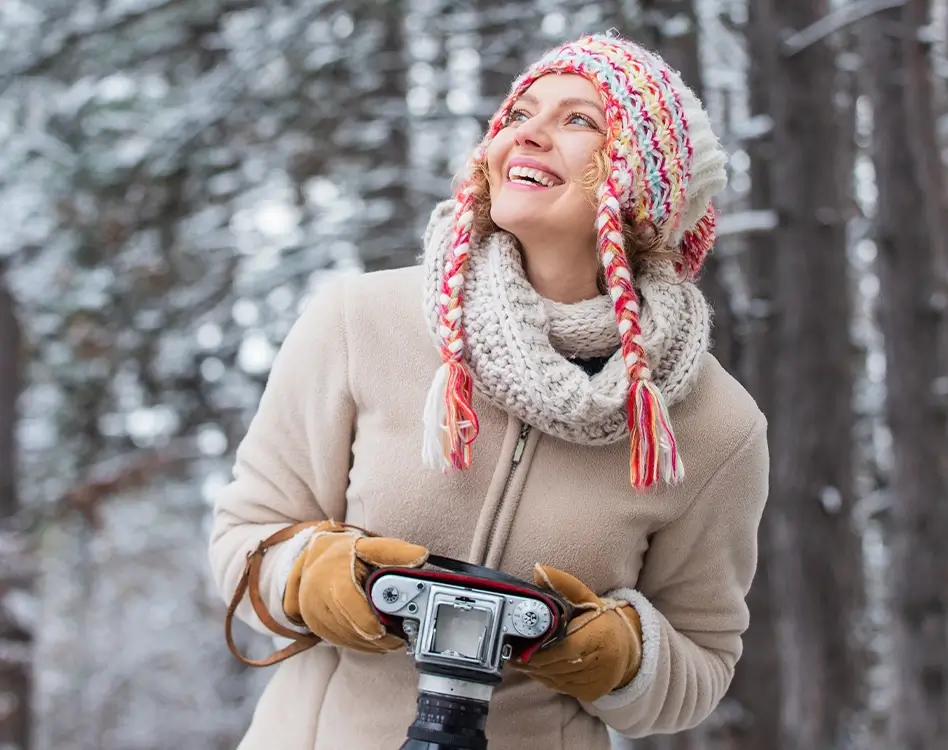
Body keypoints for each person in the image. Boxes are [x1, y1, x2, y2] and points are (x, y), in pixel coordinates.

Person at [210, 32, 769, 750]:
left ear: (642, 184)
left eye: (577, 121)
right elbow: (239, 548)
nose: (529, 134)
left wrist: (621, 653)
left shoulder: (713, 424)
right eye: (520, 113)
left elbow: (704, 659)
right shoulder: (359, 322)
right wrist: (315, 577)